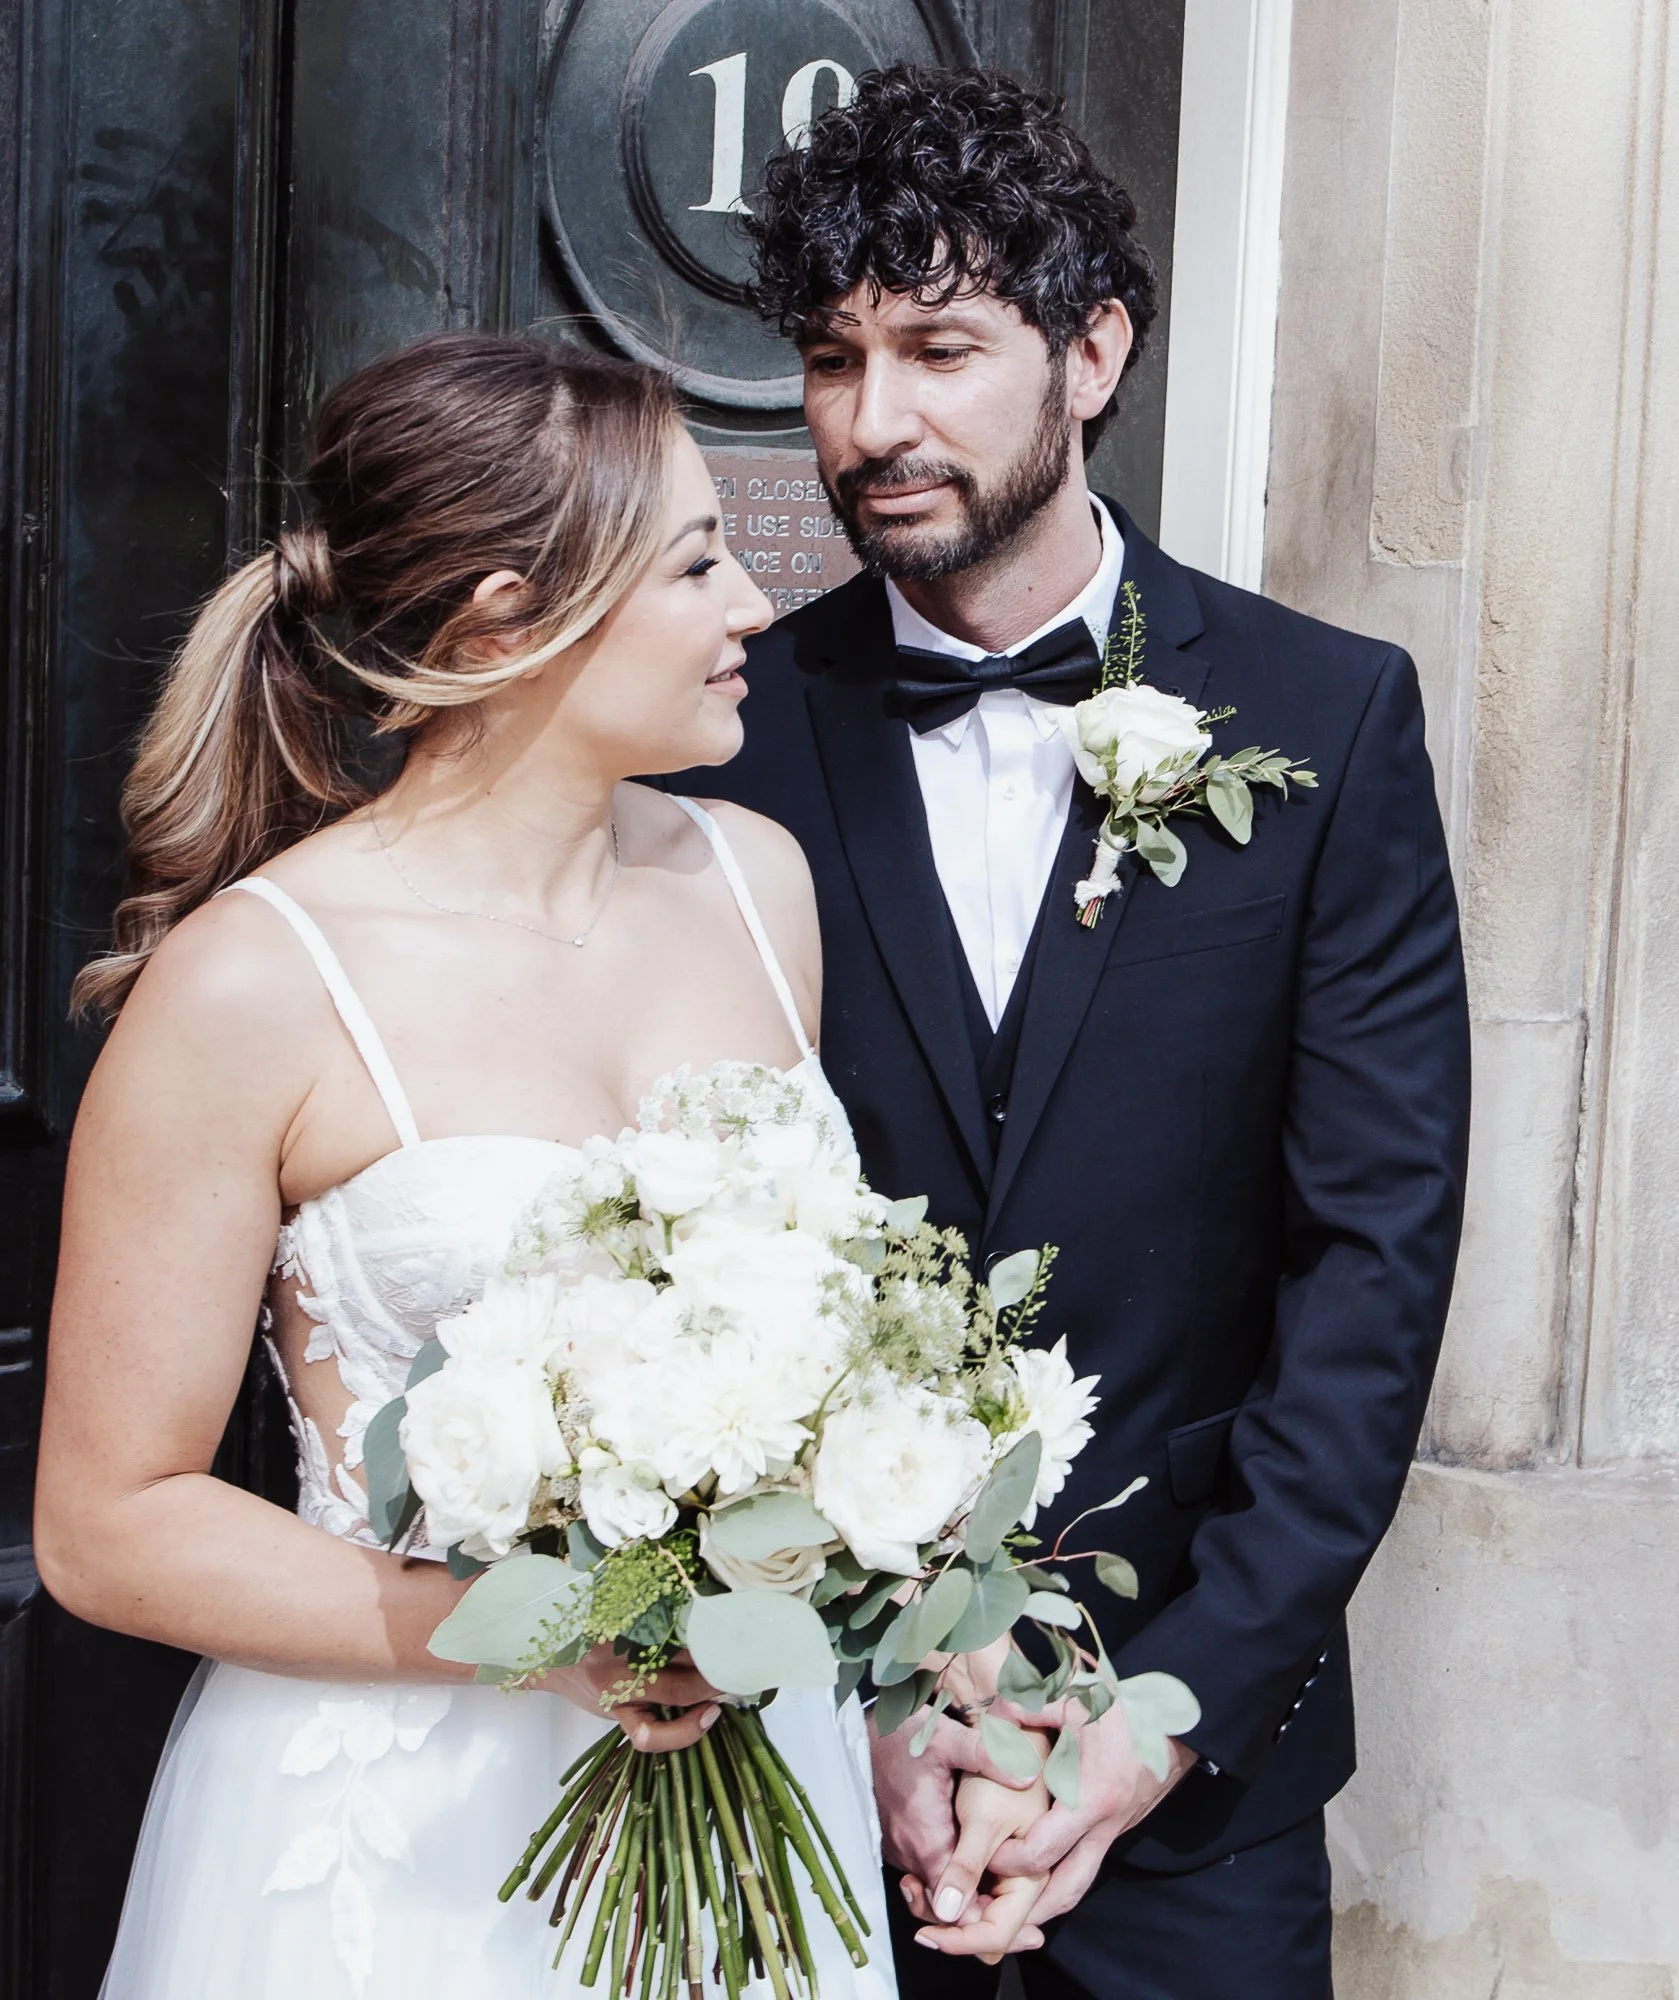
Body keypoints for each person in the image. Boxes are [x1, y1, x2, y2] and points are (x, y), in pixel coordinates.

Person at [680, 64, 1472, 1999]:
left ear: (1091, 349)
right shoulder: (724, 739)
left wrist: (1177, 1703)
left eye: (941, 348)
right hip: (825, 1763)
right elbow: (694, 1253)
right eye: (835, 357)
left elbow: (1370, 1262)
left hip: (1199, 1765)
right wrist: (855, 1697)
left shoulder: (1327, 717)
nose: (875, 423)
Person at [35, 332, 938, 1998]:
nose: (753, 606)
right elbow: (109, 1525)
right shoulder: (253, 982)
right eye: (695, 562)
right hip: (402, 1836)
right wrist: (540, 1635)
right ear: (508, 615)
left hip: (752, 1790)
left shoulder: (759, 883)